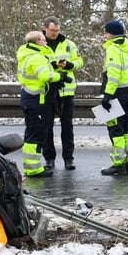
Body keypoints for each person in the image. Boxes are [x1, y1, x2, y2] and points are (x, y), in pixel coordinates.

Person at [16, 30, 68, 178]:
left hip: (29, 96)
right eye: (44, 40)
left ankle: (30, 166)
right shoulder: (36, 57)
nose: (46, 42)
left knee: (31, 132)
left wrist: (54, 66)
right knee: (37, 133)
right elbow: (44, 75)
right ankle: (33, 169)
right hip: (36, 99)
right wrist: (61, 76)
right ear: (38, 42)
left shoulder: (27, 54)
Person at [42, 16, 84, 171]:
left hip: (66, 91)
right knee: (47, 127)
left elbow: (80, 62)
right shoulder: (39, 44)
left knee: (67, 126)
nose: (54, 33)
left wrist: (69, 65)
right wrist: (53, 65)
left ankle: (68, 158)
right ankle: (49, 159)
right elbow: (36, 64)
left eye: (57, 30)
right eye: (52, 30)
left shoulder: (69, 44)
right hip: (47, 90)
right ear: (45, 28)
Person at [99, 20, 128, 176]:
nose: (104, 35)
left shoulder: (113, 49)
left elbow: (113, 74)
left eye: (105, 32)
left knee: (115, 128)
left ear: (111, 34)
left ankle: (118, 164)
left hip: (116, 92)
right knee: (127, 128)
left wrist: (108, 95)